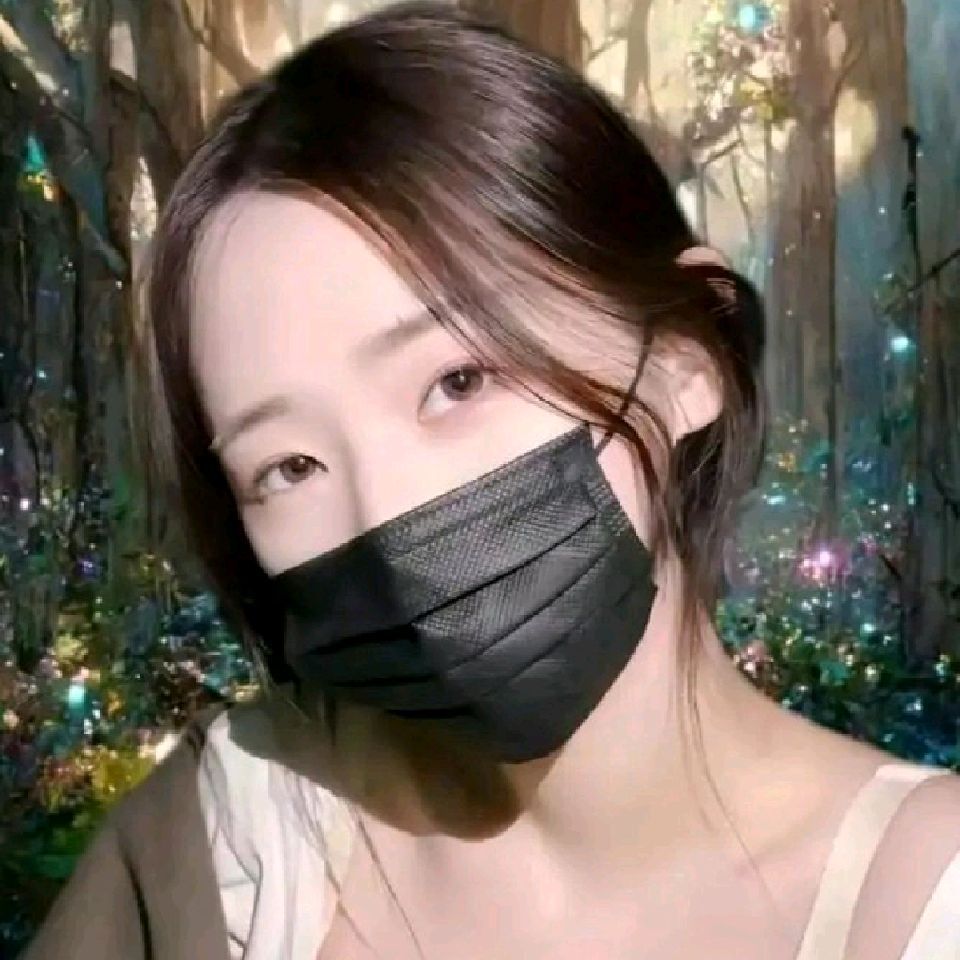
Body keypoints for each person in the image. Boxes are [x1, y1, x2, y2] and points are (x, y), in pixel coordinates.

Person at [24, 3, 960, 959]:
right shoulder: (229, 851)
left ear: (685, 360)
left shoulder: (926, 902)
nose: (390, 517)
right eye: (290, 466)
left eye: (458, 381)